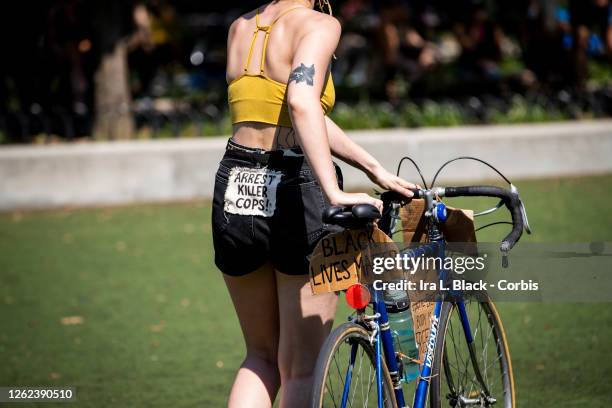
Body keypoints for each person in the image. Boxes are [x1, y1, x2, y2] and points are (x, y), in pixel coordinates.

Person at [213, 0, 417, 406]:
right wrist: (334, 190)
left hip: (235, 183)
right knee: (302, 367)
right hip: (294, 187)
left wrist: (372, 167)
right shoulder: (319, 25)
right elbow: (302, 103)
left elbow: (285, 111)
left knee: (260, 358)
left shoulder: (241, 27)